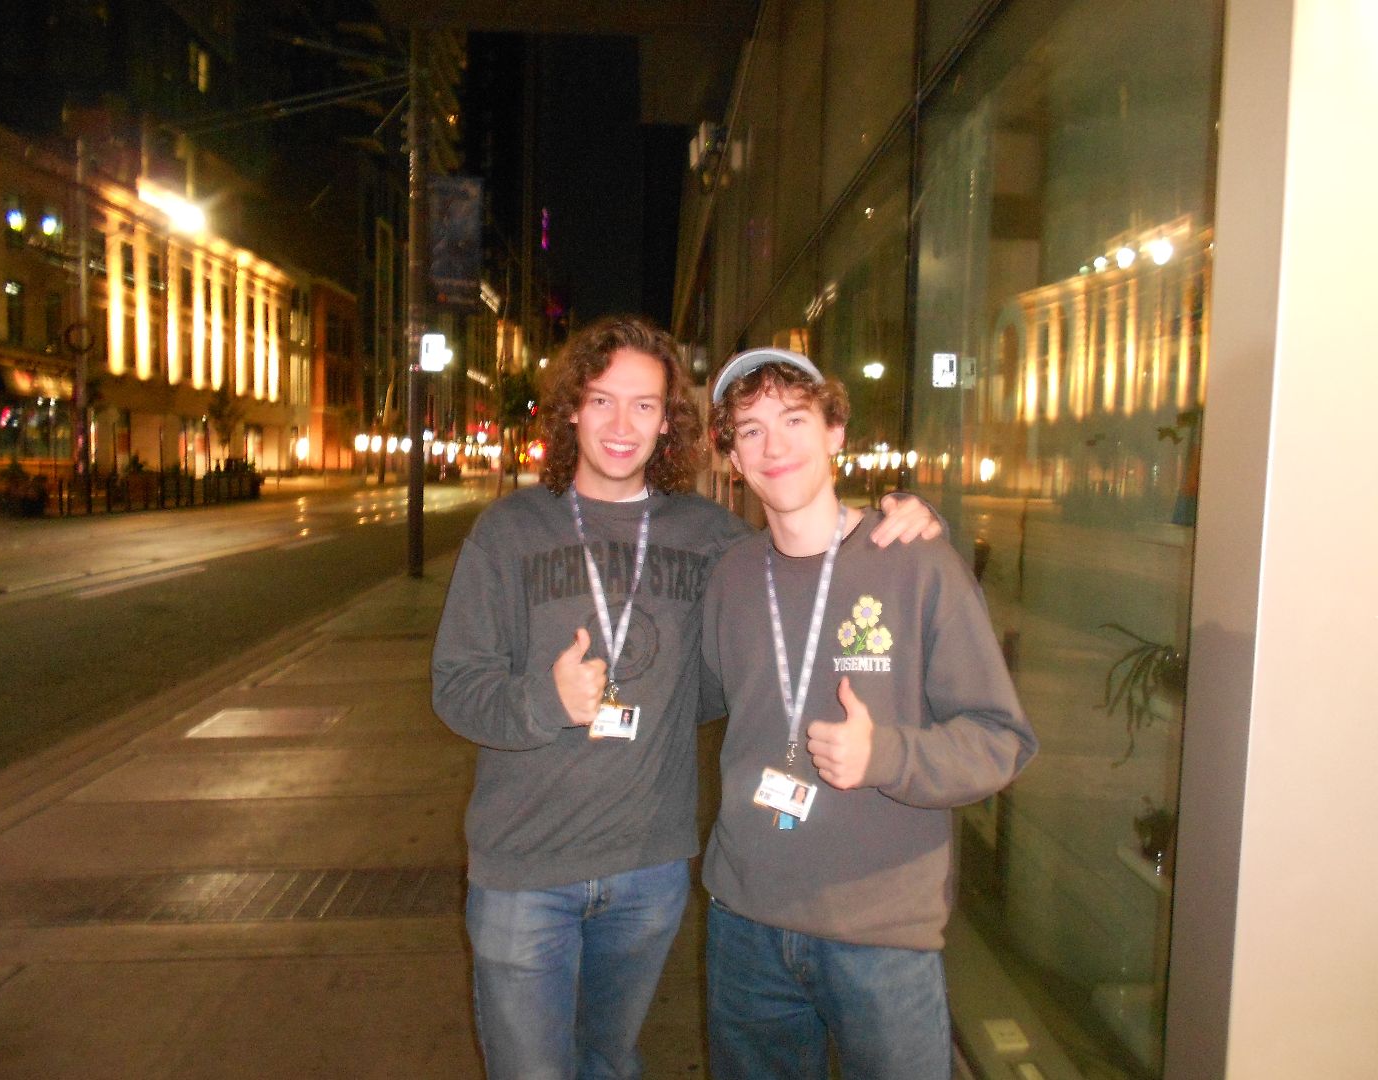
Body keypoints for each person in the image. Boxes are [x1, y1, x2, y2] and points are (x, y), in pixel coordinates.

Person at [430, 318, 939, 1080]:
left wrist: (905, 514)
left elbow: (808, 557)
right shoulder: (509, 532)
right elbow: (455, 687)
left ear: (669, 420)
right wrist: (543, 700)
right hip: (522, 870)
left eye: (644, 405)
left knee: (607, 1061)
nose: (621, 424)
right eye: (602, 401)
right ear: (572, 409)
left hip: (650, 869)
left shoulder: (710, 536)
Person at [699, 347, 1038, 1080]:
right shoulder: (729, 575)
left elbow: (1001, 740)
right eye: (749, 430)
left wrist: (886, 757)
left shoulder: (916, 562)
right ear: (732, 457)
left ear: (835, 433)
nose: (774, 444)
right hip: (745, 925)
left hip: (881, 936)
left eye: (794, 419)